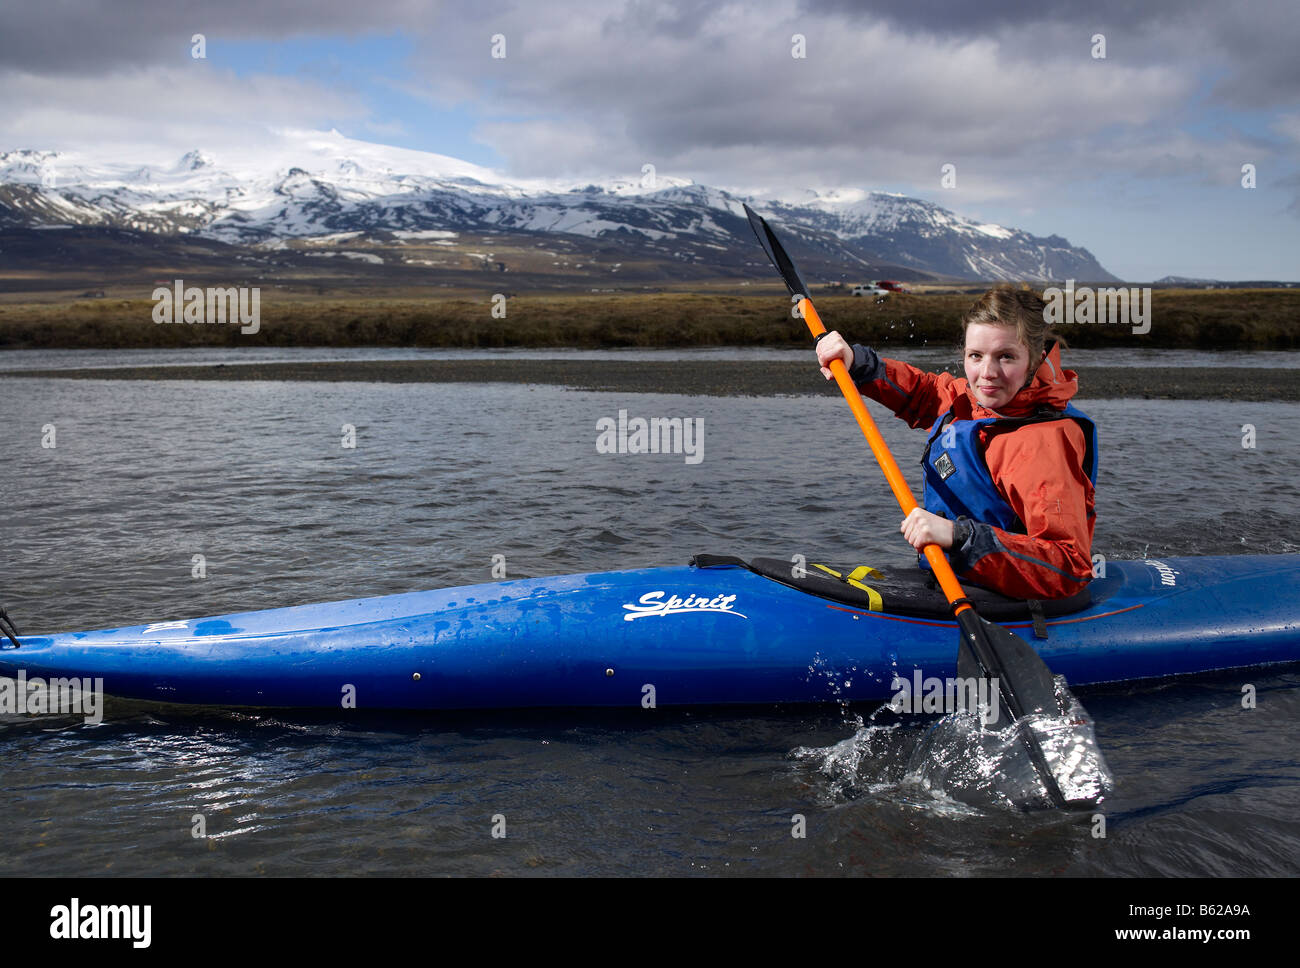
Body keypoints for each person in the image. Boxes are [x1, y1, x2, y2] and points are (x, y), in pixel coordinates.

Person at [814, 284, 1097, 601]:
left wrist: (957, 536)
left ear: (1035, 359)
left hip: (1012, 600)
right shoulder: (976, 401)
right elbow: (927, 394)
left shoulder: (1043, 447)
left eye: (1005, 357)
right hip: (957, 578)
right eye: (975, 356)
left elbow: (1069, 565)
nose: (986, 373)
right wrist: (859, 363)